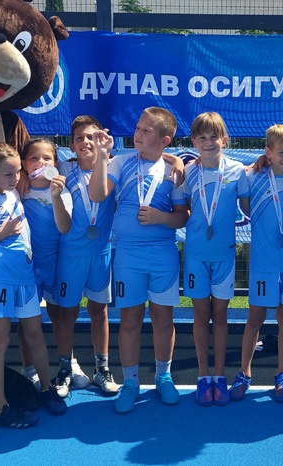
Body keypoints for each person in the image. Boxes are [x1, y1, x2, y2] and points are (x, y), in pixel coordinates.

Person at [88, 107, 189, 414]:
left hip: (163, 253)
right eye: (137, 128)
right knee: (130, 319)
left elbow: (182, 216)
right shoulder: (120, 162)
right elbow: (97, 195)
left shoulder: (173, 170)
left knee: (163, 319)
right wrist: (101, 157)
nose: (138, 134)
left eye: (146, 131)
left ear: (165, 140)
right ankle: (130, 382)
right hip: (128, 255)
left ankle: (163, 376)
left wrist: (161, 218)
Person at [0, 141, 67, 426]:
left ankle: (47, 390)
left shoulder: (14, 192)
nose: (15, 178)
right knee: (0, 341)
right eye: (8, 174)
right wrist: (0, 235)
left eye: (17, 173)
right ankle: (0, 407)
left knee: (35, 334)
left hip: (25, 275)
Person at [229, 124, 283, 403]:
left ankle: (282, 374)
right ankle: (244, 373)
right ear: (268, 152)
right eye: (282, 152)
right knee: (255, 319)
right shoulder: (253, 176)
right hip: (263, 263)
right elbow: (244, 203)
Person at [182, 112, 250, 406]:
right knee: (200, 315)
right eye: (202, 137)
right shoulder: (187, 172)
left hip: (224, 256)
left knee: (220, 316)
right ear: (194, 141)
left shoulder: (237, 171)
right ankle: (202, 376)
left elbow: (249, 206)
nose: (208, 142)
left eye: (214, 137)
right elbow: (183, 207)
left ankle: (219, 376)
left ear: (225, 140)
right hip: (196, 255)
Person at [50, 115, 119, 397]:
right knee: (66, 313)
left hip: (101, 253)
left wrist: (178, 162)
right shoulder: (63, 168)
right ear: (71, 146)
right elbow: (31, 164)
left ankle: (102, 369)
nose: (86, 142)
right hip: (71, 254)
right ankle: (65, 368)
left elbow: (158, 159)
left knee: (99, 312)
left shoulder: (114, 166)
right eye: (80, 138)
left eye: (92, 137)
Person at [17, 138, 73, 392]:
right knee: (27, 321)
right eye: (33, 158)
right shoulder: (17, 190)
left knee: (58, 315)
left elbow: (64, 227)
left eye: (46, 158)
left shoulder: (63, 192)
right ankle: (28, 369)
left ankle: (66, 364)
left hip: (53, 265)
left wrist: (56, 195)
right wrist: (20, 179)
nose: (40, 162)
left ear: (55, 164)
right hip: (26, 268)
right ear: (24, 164)